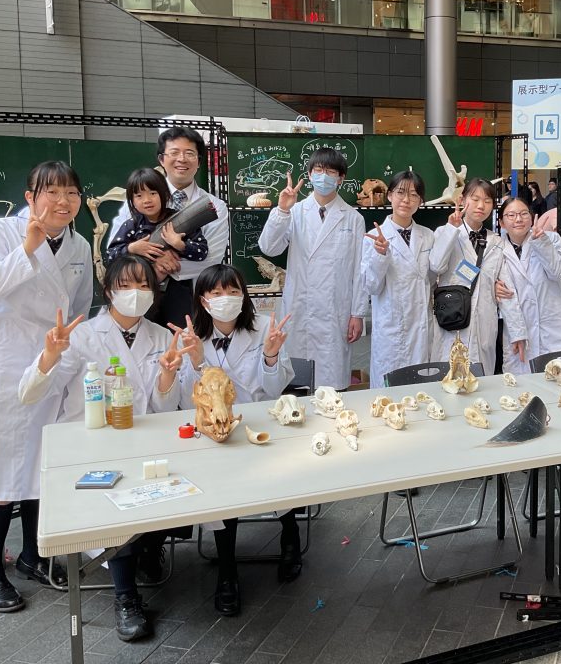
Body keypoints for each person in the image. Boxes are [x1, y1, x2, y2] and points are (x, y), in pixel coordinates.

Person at [0, 162, 92, 613]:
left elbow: (80, 306)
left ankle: (33, 555)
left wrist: (66, 354)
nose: (62, 201)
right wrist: (27, 247)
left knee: (40, 466)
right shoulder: (0, 233)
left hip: (48, 362)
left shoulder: (80, 245)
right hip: (2, 369)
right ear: (30, 198)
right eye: (51, 192)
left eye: (71, 193)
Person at [18, 254, 193, 640]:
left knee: (184, 483)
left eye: (144, 285)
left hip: (145, 441)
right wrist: (50, 356)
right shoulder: (82, 337)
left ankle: (148, 546)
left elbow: (164, 408)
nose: (136, 293)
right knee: (117, 505)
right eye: (125, 285)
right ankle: (125, 597)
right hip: (92, 446)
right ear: (109, 290)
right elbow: (29, 394)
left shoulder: (162, 337)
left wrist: (167, 376)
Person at [175, 264, 295, 611]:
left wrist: (270, 355)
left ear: (244, 296)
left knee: (279, 477)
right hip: (214, 430)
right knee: (220, 491)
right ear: (203, 300)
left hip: (258, 422)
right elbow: (185, 400)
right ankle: (227, 571)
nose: (225, 298)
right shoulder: (191, 338)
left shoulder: (264, 329)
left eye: (233, 291)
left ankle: (290, 535)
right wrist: (197, 363)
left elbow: (274, 389)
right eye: (216, 293)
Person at [257, 147, 367, 389]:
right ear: (309, 175)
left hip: (335, 310)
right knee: (298, 383)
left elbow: (360, 271)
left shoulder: (353, 218)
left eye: (331, 172)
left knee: (332, 386)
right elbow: (269, 248)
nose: (324, 176)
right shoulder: (295, 211)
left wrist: (357, 313)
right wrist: (282, 210)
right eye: (318, 170)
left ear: (341, 178)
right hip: (301, 307)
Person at [109, 127, 228, 329]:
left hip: (189, 297)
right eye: (174, 152)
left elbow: (212, 258)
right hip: (140, 292)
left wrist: (164, 266)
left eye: (189, 153)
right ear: (162, 159)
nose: (182, 159)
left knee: (181, 343)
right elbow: (117, 250)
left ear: (199, 161)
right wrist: (149, 269)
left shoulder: (214, 206)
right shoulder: (139, 200)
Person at [431, 178, 527, 376]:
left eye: (487, 201)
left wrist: (517, 333)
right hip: (452, 320)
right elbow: (436, 265)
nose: (481, 206)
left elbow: (506, 290)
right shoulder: (445, 232)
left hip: (484, 322)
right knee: (448, 380)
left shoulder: (497, 242)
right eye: (475, 199)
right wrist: (451, 230)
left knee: (481, 382)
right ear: (462, 200)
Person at [361, 171, 436, 387]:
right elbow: (371, 286)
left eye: (414, 195)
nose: (406, 200)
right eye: (400, 193)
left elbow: (432, 278)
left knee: (420, 392)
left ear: (420, 201)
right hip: (390, 328)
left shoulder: (428, 236)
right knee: (388, 393)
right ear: (390, 196)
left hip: (420, 327)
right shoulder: (374, 237)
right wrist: (380, 255)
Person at [496, 197, 561, 375]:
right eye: (511, 215)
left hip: (553, 329)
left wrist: (541, 242)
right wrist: (493, 287)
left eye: (524, 214)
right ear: (501, 222)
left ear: (532, 217)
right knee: (522, 385)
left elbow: (558, 272)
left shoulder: (551, 238)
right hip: (520, 330)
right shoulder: (496, 248)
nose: (518, 219)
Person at [106, 167, 209, 264]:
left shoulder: (181, 219)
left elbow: (202, 252)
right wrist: (131, 248)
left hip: (179, 276)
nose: (147, 200)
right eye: (139, 196)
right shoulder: (132, 224)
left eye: (153, 193)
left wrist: (180, 245)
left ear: (166, 195)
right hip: (141, 276)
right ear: (132, 201)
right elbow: (110, 256)